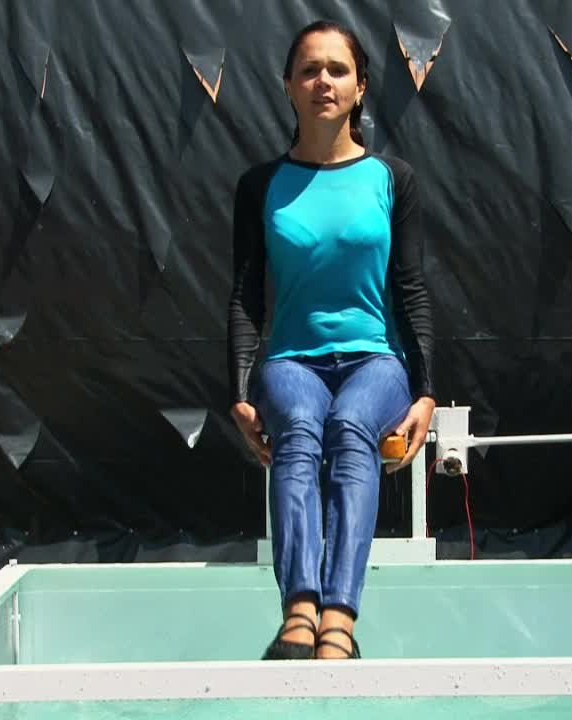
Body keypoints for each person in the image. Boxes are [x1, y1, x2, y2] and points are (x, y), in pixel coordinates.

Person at [226, 19, 436, 660]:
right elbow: (245, 297)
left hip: (376, 362)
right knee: (298, 431)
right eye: (309, 70)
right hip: (291, 362)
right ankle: (299, 612)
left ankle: (339, 618)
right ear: (288, 86)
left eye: (338, 69)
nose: (324, 81)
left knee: (350, 427)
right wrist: (240, 394)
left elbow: (412, 290)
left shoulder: (392, 179)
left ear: (360, 87)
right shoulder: (260, 185)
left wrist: (426, 394)